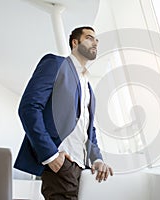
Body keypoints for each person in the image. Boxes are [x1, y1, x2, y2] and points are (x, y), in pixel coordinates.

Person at [14, 26, 113, 199]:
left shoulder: (87, 86)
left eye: (97, 40)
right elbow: (29, 107)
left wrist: (96, 159)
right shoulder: (56, 64)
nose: (95, 42)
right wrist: (51, 156)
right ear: (75, 42)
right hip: (62, 163)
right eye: (90, 37)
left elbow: (89, 129)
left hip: (82, 169)